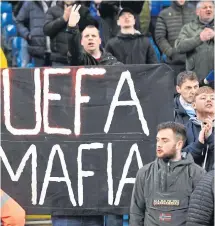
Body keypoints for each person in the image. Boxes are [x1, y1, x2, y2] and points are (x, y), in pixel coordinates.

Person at [130, 121, 205, 226]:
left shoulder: (197, 174)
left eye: (165, 141)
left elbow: (200, 217)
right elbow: (136, 213)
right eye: (158, 140)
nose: (159, 144)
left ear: (179, 144)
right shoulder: (144, 173)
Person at [44, 1, 95, 66]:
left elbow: (91, 27)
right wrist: (64, 18)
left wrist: (79, 15)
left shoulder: (83, 9)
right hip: (58, 59)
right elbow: (46, 30)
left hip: (79, 58)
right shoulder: (53, 10)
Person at [155, 0, 196, 80]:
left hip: (194, 62)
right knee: (175, 90)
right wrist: (170, 52)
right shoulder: (164, 14)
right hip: (174, 63)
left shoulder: (195, 12)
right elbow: (160, 37)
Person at [175, 0, 214, 81]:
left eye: (211, 7)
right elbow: (179, 47)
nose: (208, 9)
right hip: (196, 78)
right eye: (205, 7)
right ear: (197, 12)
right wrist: (199, 38)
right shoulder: (188, 28)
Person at [15, 0, 57, 67]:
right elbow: (18, 21)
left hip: (58, 52)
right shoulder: (30, 3)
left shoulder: (61, 2)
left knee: (57, 77)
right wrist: (27, 35)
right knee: (39, 76)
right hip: (38, 52)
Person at [183, 86, 214, 172]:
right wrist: (198, 144)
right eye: (203, 98)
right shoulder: (183, 129)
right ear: (194, 105)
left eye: (213, 98)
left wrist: (211, 139)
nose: (209, 100)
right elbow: (177, 159)